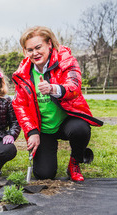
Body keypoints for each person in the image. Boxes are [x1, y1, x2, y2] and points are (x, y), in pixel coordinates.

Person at [12, 26, 103, 182]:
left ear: (49, 44)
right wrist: (32, 131)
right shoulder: (23, 73)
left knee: (80, 129)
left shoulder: (66, 60)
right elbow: (20, 105)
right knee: (44, 175)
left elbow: (74, 86)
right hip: (44, 127)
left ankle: (74, 162)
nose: (35, 53)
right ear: (25, 52)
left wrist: (54, 88)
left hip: (66, 120)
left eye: (38, 47)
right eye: (30, 50)